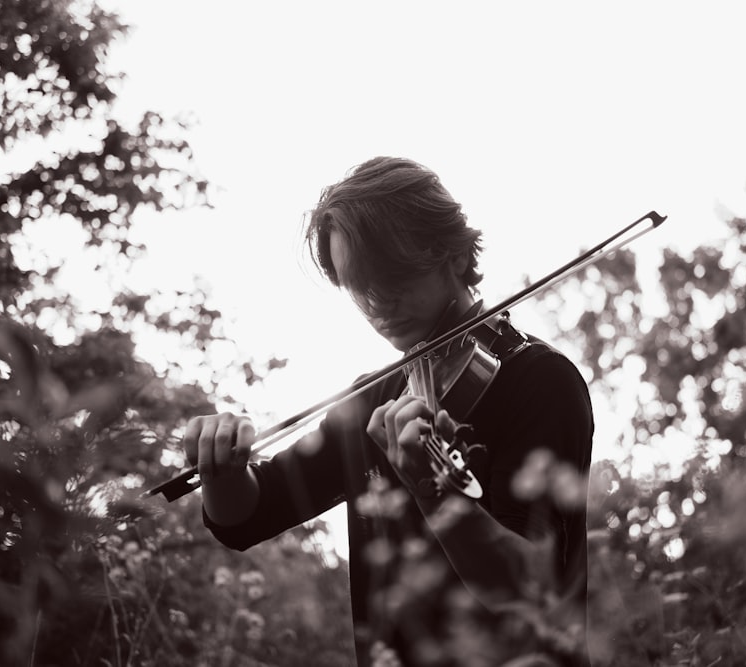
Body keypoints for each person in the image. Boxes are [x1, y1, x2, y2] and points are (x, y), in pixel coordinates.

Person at [183, 157, 594, 666]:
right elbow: (248, 517)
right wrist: (220, 466)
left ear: (456, 255)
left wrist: (436, 491)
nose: (376, 303)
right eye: (358, 287)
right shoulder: (373, 400)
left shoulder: (539, 378)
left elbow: (532, 586)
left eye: (391, 278)